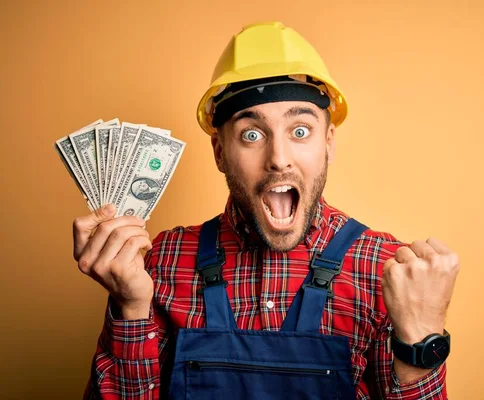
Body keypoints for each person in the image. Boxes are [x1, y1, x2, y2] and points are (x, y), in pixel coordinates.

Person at [74, 22, 460, 399]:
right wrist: (130, 306)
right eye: (252, 134)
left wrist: (420, 340)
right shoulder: (164, 259)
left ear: (328, 143)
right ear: (221, 153)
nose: (278, 159)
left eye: (300, 131)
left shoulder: (383, 269)